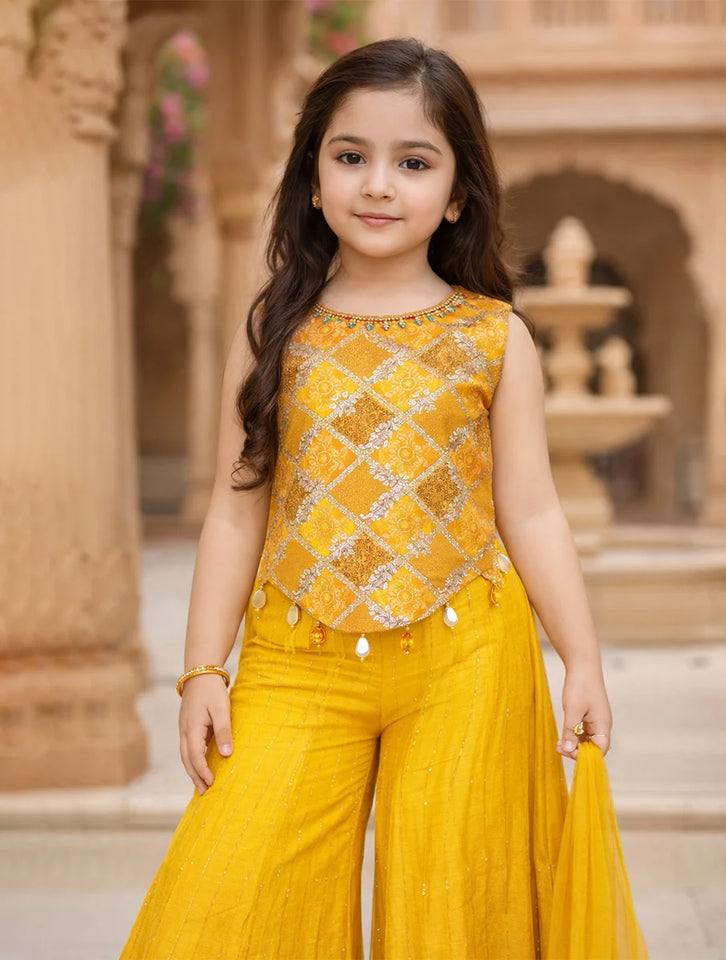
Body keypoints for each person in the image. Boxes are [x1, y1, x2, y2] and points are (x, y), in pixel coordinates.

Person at [120, 37, 620, 960]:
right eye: (351, 156)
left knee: (456, 919)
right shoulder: (276, 328)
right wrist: (202, 670)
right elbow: (238, 508)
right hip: (294, 661)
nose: (379, 184)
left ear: (458, 192)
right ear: (312, 177)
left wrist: (580, 658)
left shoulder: (492, 336)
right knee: (225, 896)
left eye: (414, 162)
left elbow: (534, 509)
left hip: (466, 658)